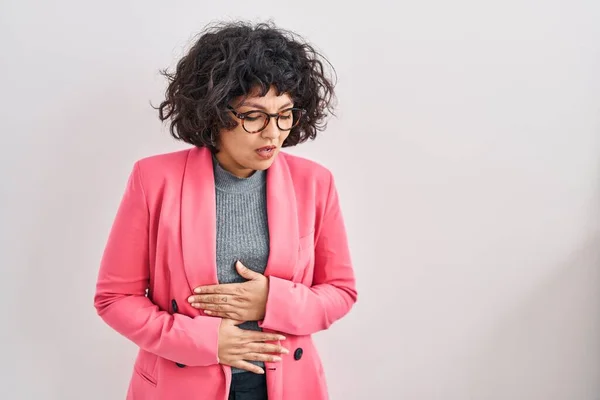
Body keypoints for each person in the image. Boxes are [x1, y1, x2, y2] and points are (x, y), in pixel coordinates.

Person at [94, 20, 357, 400]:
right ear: (215, 111)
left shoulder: (315, 183)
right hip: (181, 383)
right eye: (254, 116)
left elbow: (340, 292)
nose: (273, 133)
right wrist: (205, 341)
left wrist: (273, 300)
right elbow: (114, 299)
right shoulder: (153, 179)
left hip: (285, 385)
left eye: (285, 113)